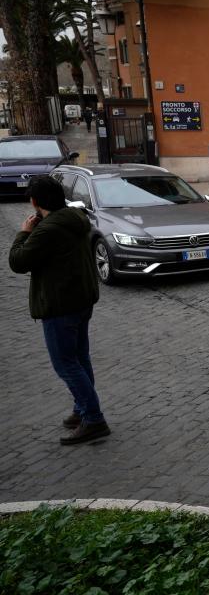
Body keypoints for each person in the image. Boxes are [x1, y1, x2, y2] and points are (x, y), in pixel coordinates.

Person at [8, 175, 107, 445]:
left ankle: (93, 418)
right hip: (81, 299)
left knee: (66, 364)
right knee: (79, 358)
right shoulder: (75, 219)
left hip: (60, 304)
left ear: (34, 201)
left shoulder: (47, 230)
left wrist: (23, 233)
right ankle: (81, 409)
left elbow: (18, 261)